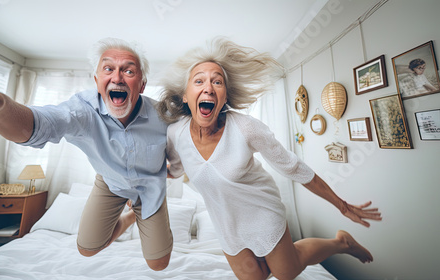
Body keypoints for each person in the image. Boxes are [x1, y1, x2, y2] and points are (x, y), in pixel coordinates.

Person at [158, 38, 382, 280]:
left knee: (287, 272)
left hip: (262, 212)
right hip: (226, 223)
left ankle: (341, 243)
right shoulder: (175, 134)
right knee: (256, 278)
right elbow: (175, 170)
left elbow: (294, 168)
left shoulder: (246, 128)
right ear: (184, 96)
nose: (209, 88)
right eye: (199, 80)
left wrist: (342, 205)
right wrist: (138, 185)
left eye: (217, 82)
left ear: (224, 97)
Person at [0, 38, 172, 271]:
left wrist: (173, 168)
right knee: (87, 248)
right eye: (108, 68)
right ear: (97, 81)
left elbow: (189, 145)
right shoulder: (82, 110)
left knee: (158, 264)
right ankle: (130, 216)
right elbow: (41, 123)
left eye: (129, 71)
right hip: (110, 181)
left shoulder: (162, 115)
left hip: (149, 186)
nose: (117, 77)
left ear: (141, 85)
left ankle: (137, 210)